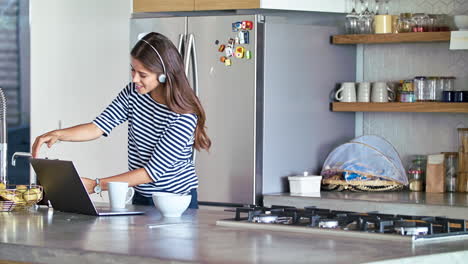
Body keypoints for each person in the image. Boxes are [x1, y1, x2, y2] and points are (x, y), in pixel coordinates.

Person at [31, 32, 211, 209]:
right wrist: (58, 134)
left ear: (164, 75)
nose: (134, 79)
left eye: (143, 74)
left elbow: (151, 173)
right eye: (133, 69)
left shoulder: (183, 116)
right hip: (142, 194)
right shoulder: (134, 93)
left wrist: (96, 185)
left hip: (175, 203)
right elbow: (98, 127)